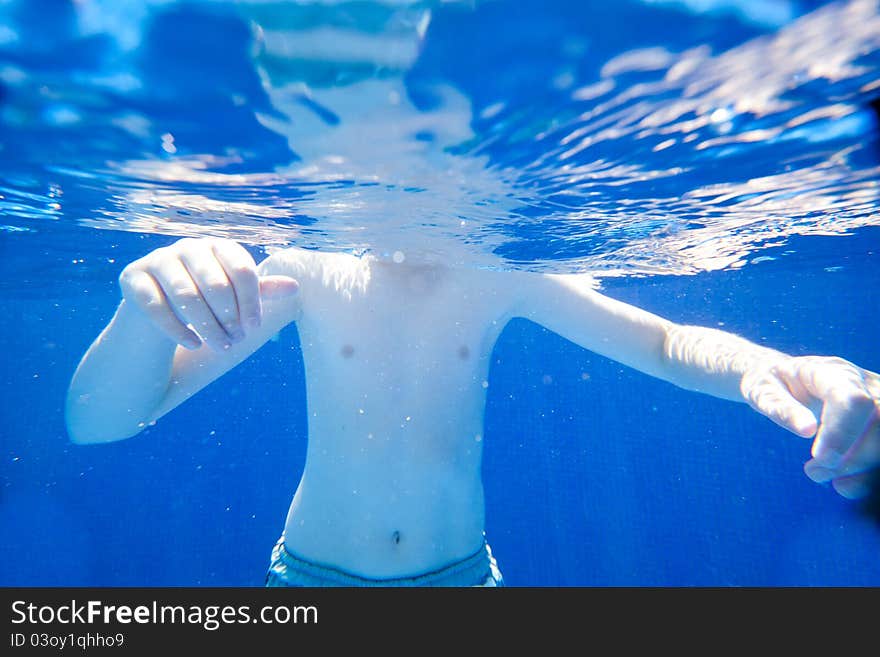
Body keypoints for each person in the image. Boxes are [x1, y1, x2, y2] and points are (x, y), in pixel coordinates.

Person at [64, 236, 880, 586]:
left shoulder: (500, 273)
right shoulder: (301, 271)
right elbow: (100, 421)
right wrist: (141, 314)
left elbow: (665, 344)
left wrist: (775, 365)